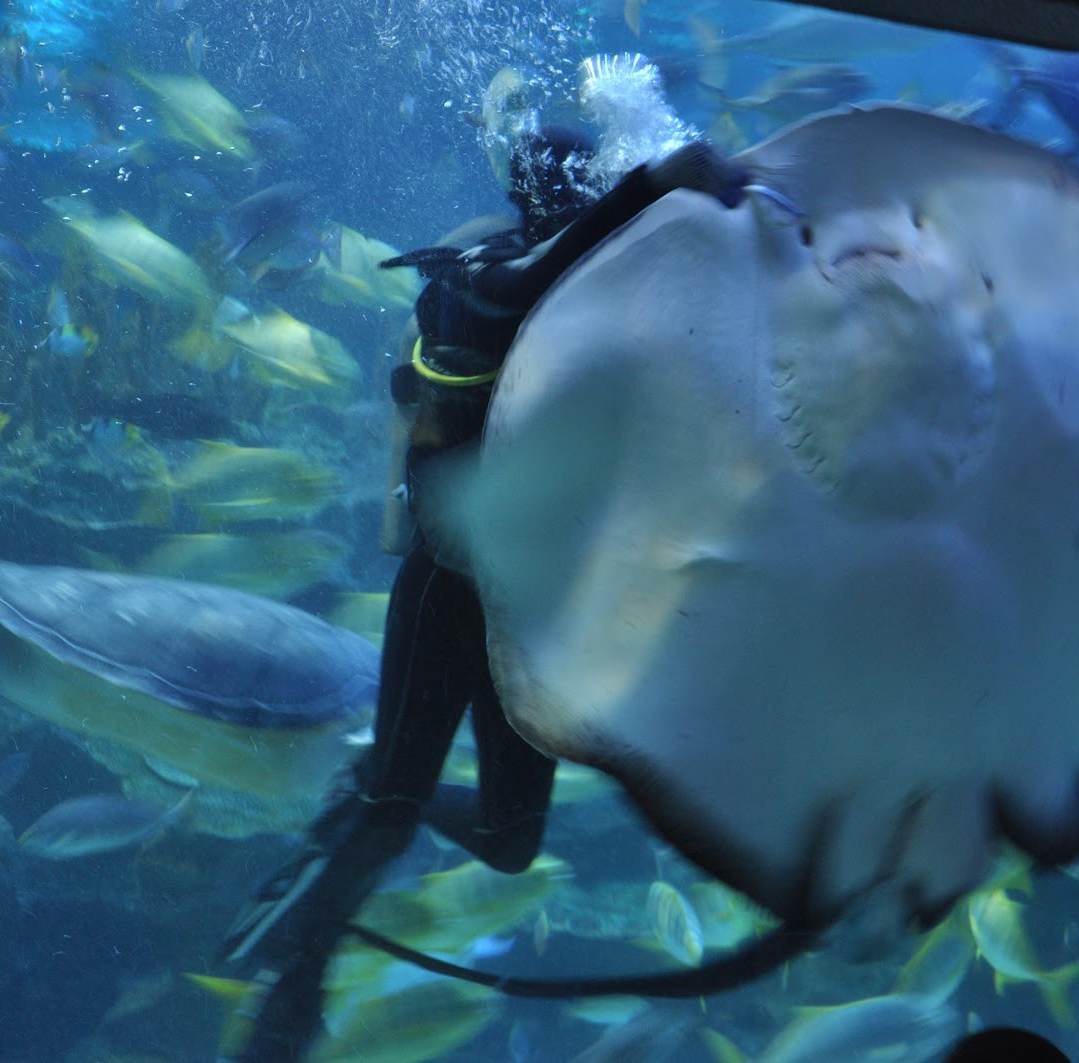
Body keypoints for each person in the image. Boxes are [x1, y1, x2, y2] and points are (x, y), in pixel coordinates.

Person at [215, 127, 751, 1062]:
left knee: (509, 841)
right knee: (387, 819)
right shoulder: (482, 268)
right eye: (587, 195)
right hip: (447, 584)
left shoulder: (592, 301)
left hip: (528, 613)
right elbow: (515, 286)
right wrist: (652, 182)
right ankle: (291, 992)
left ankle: (373, 788)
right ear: (562, 196)